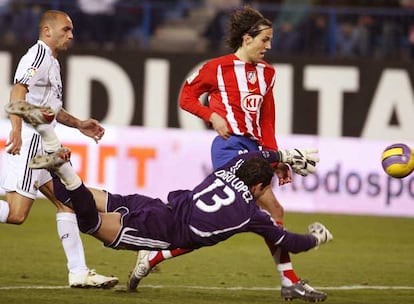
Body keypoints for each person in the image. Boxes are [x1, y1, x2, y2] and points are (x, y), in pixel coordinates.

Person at [142, 5, 328, 302]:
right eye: (264, 40)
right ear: (246, 39)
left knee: (221, 225)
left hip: (255, 151)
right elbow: (185, 97)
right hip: (229, 148)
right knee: (270, 212)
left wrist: (276, 158)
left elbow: (267, 120)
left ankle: (154, 257)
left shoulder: (268, 74)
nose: (268, 46)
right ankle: (289, 281)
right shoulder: (217, 68)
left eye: (270, 40)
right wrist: (211, 116)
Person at [27, 144, 332, 297]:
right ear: (259, 188)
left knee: (99, 199)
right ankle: (65, 171)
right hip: (160, 231)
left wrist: (284, 156)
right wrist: (317, 237)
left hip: (157, 205)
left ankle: (41, 174)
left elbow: (255, 155)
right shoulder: (250, 215)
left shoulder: (227, 169)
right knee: (90, 223)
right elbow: (288, 241)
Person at [0, 10, 118, 288]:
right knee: (17, 215)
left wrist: (79, 124)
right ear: (47, 31)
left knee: (66, 203)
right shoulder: (37, 57)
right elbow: (18, 91)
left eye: (71, 30)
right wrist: (16, 131)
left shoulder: (52, 62)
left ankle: (78, 272)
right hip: (31, 142)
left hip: (45, 143)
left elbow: (52, 109)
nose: (71, 35)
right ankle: (78, 271)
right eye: (66, 30)